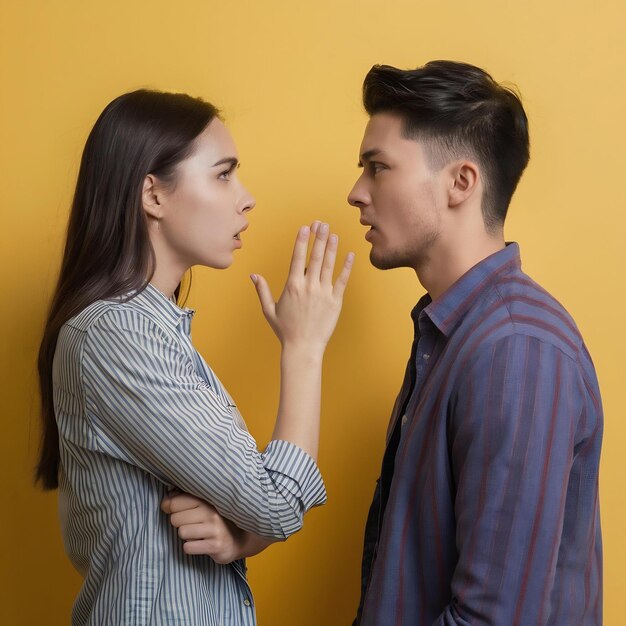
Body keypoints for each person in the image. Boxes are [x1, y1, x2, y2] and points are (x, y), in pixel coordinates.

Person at [36, 89, 354, 625]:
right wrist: (304, 349)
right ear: (153, 195)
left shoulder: (151, 332)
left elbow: (254, 506)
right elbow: (272, 502)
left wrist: (241, 535)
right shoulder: (117, 336)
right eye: (223, 174)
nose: (246, 198)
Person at [346, 61, 603, 625]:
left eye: (378, 168)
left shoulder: (515, 350)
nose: (355, 193)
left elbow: (494, 617)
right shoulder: (456, 334)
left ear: (461, 182)